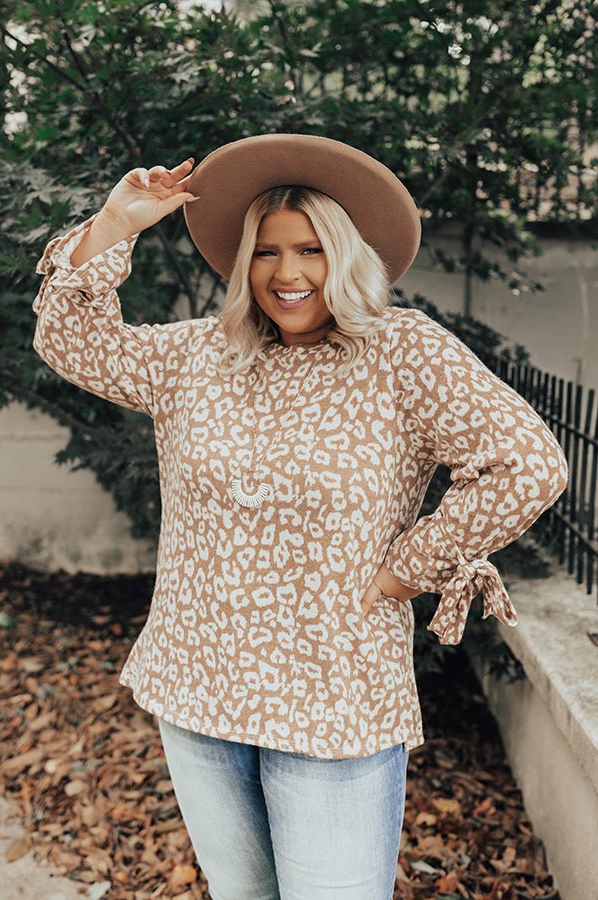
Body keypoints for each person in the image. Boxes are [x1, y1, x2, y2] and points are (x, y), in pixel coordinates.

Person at [32, 134, 568, 900]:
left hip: (333, 699)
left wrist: (408, 569)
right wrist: (114, 226)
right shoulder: (197, 357)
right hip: (197, 685)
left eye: (311, 249)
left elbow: (528, 464)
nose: (287, 273)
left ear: (345, 255)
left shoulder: (401, 352)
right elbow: (70, 341)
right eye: (267, 252)